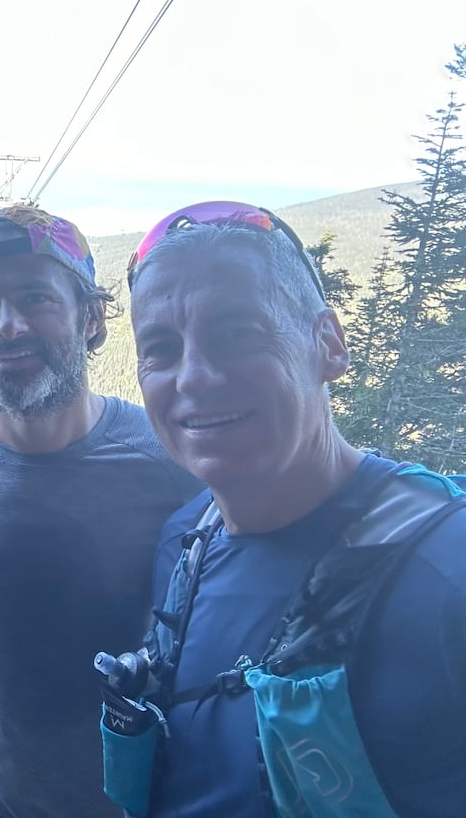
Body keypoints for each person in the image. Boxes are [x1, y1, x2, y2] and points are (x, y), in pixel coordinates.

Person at [114, 200, 466, 817]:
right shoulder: (184, 543)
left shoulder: (447, 563)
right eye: (161, 349)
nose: (193, 376)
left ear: (328, 344)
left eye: (237, 333)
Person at [0, 205, 202, 818]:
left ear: (92, 318)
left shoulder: (168, 457)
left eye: (35, 298)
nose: (6, 325)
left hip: (126, 798)